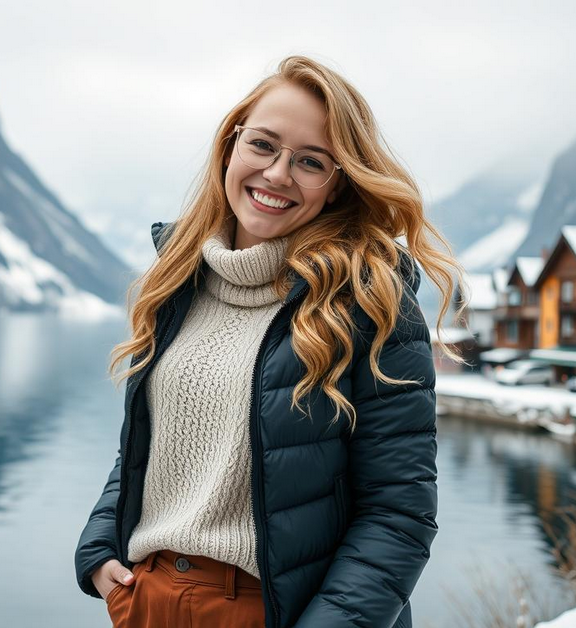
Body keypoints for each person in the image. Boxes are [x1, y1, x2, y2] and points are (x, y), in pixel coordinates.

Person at [73, 56, 465, 627]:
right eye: (262, 145)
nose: (278, 174)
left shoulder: (370, 304)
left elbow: (398, 514)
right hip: (149, 600)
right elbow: (150, 448)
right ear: (230, 145)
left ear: (337, 185)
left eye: (311, 161)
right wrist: (99, 547)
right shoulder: (178, 280)